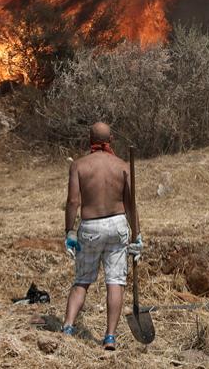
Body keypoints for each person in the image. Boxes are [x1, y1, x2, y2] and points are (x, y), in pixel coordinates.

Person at [61, 122, 143, 351]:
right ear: (111, 139)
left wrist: (69, 231)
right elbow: (130, 205)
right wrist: (137, 235)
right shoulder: (122, 165)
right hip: (117, 225)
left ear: (90, 140)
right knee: (115, 282)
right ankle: (109, 337)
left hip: (90, 227)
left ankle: (67, 327)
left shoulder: (79, 165)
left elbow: (73, 202)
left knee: (82, 281)